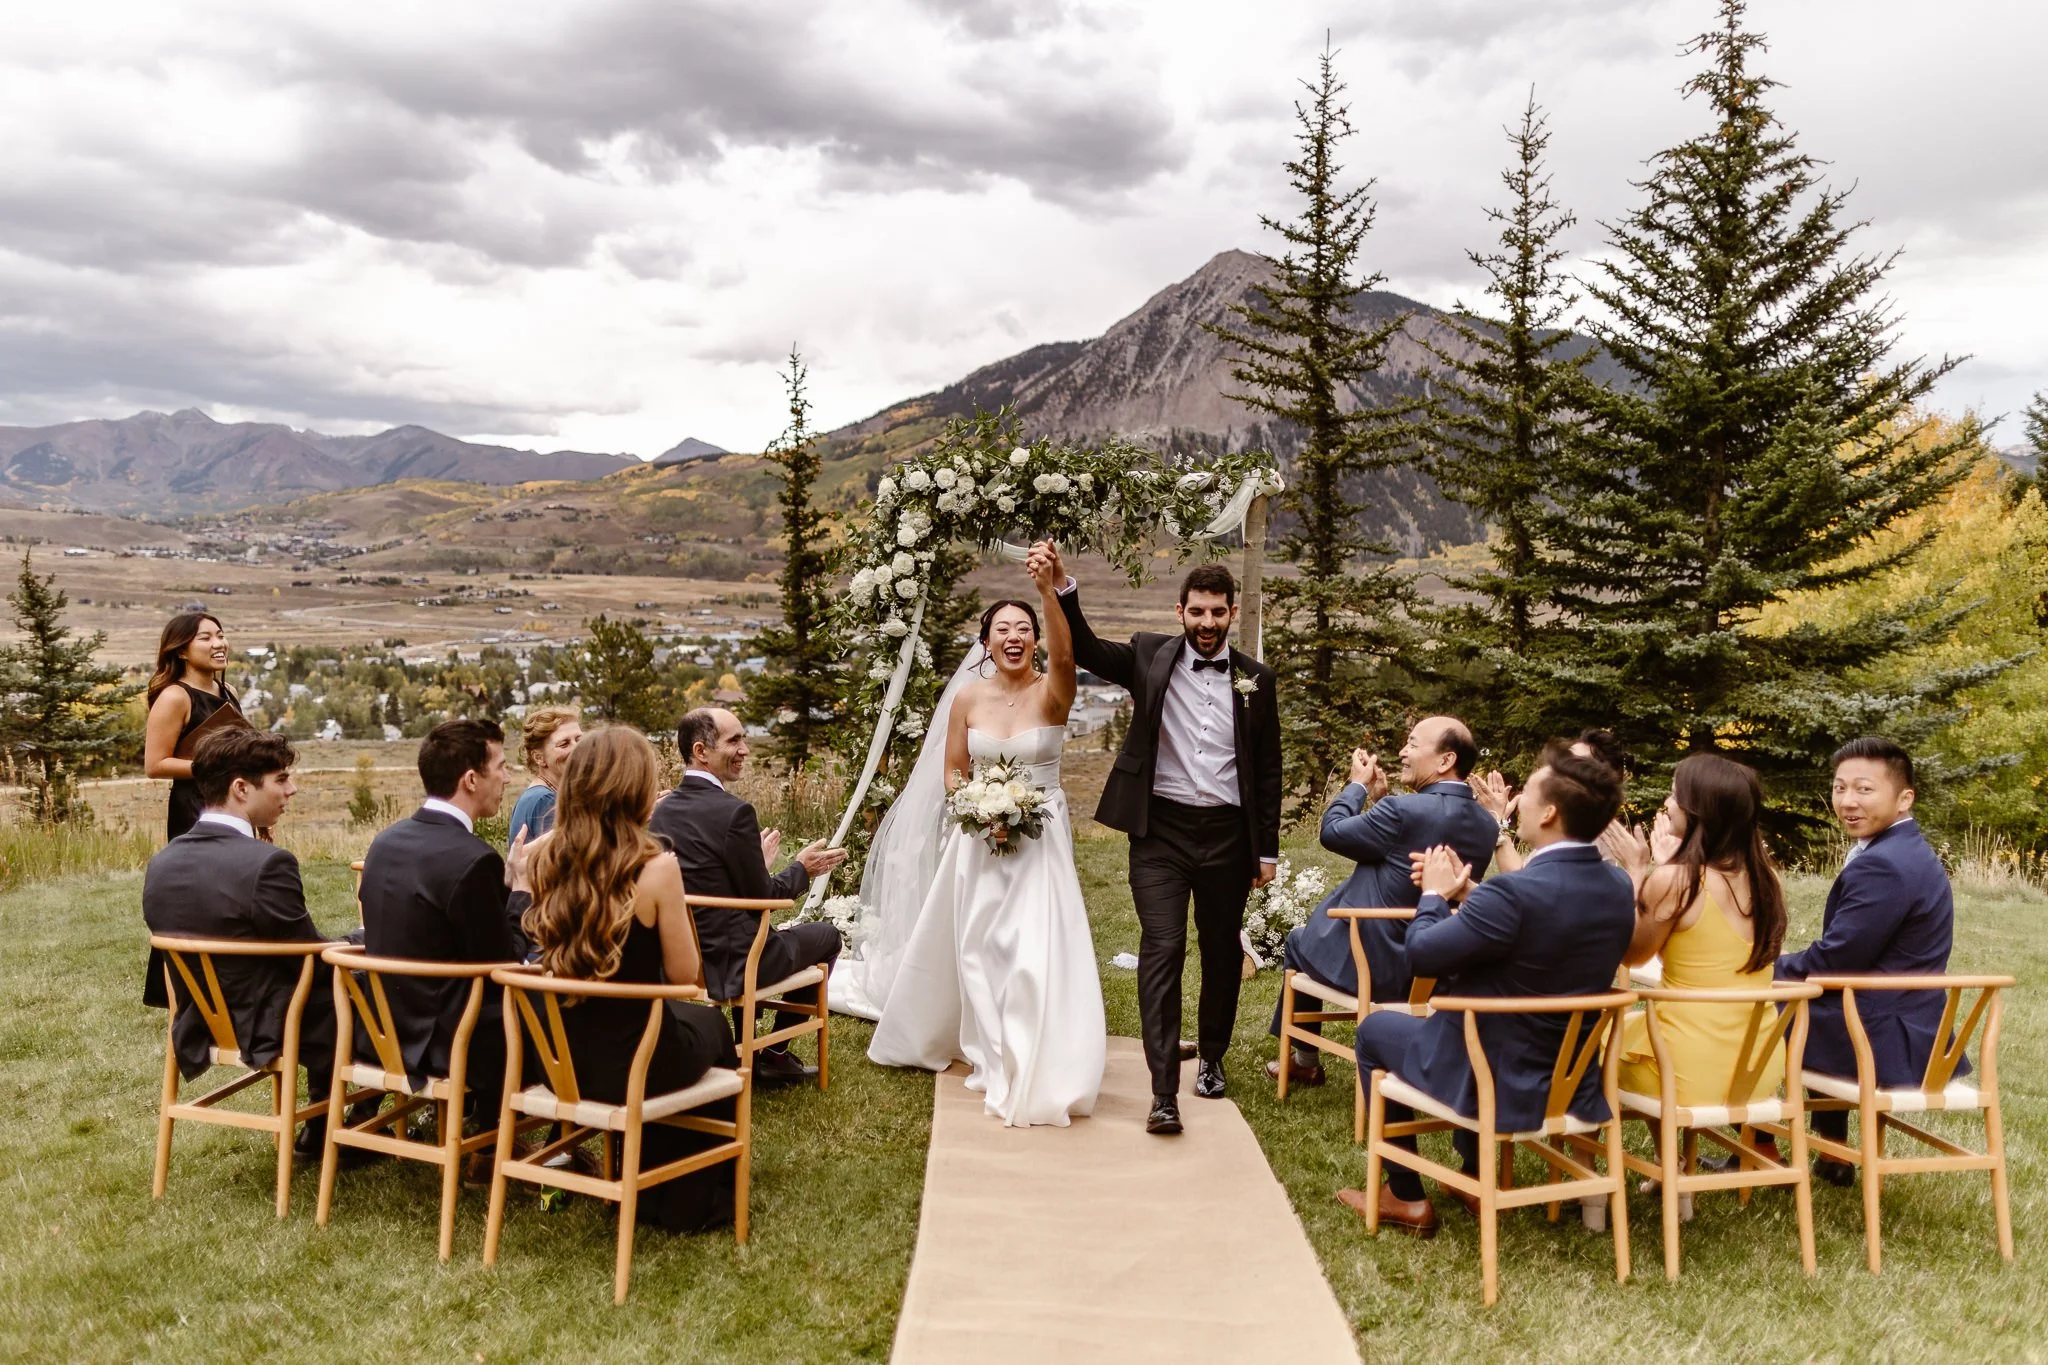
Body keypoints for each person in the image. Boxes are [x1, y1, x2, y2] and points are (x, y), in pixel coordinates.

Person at [1341, 746, 1635, 1237]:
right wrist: (1468, 894)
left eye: (1529, 791)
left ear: (1549, 811)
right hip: (1568, 1080)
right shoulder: (1617, 886)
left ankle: (1406, 1197)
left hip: (1492, 1075)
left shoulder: (1515, 893)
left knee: (1374, 1030)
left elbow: (1424, 955)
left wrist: (1433, 896)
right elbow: (1543, 926)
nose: (1516, 801)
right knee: (1471, 1030)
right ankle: (1473, 1177)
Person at [1042, 544, 1282, 1137]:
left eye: (1217, 613)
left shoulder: (1256, 679)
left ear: (1231, 613)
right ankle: (1162, 1092)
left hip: (1229, 836)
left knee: (1222, 949)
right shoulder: (1151, 656)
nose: (1207, 623)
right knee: (1163, 946)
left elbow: (1269, 767)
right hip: (1162, 833)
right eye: (1197, 612)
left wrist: (1267, 851)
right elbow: (1093, 651)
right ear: (1180, 612)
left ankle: (1214, 1058)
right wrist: (1064, 587)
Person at [864, 559, 1108, 1128]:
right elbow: (953, 771)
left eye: (1024, 629)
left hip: (1039, 839)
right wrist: (973, 809)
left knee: (1030, 946)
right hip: (979, 838)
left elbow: (1067, 657)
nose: (1015, 637)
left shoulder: (1054, 691)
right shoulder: (967, 700)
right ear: (986, 643)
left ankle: (1035, 1050)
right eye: (1003, 629)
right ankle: (987, 1041)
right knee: (978, 945)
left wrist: (1047, 592)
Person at [522, 726, 741, 1233]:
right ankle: (687, 1195)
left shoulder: (541, 858)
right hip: (635, 1060)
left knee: (681, 1025)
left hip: (559, 1058)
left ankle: (646, 1177)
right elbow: (688, 978)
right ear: (636, 790)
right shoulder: (657, 867)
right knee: (712, 1029)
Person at [141, 728, 340, 1161]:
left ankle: (322, 1129)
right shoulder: (268, 862)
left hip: (200, 1019)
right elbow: (309, 958)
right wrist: (360, 952)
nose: (292, 789)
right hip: (267, 1023)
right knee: (381, 995)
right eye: (282, 779)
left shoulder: (164, 860)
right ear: (241, 788)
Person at [1267, 717, 1499, 1088]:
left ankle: (1303, 1060)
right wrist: (1382, 803)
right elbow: (1402, 846)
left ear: (1444, 761)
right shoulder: (1487, 825)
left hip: (1373, 966)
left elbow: (1332, 833)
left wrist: (1357, 786)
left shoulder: (1404, 812)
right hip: (1436, 972)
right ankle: (1304, 1060)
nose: (1402, 752)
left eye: (1411, 743)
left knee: (1298, 940)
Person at [1776, 736, 1960, 1185]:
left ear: (1904, 798)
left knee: (1755, 1011)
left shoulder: (1885, 864)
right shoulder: (1905, 850)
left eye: (1863, 789)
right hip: (1916, 1025)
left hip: (1885, 1037)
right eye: (1840, 788)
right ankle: (1834, 1153)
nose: (1847, 801)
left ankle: (1757, 1149)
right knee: (1799, 1004)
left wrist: (1767, 969)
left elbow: (1838, 958)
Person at [649, 707, 847, 1086]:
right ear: (701, 751)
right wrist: (802, 868)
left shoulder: (663, 809)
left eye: (744, 738)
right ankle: (771, 1054)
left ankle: (752, 1048)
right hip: (738, 960)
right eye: (734, 740)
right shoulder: (734, 812)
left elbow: (705, 878)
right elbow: (764, 897)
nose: (745, 749)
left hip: (687, 957)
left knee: (756, 931)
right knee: (826, 936)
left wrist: (755, 859)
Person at [356, 719, 531, 1110]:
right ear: (471, 779)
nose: (508, 776)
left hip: (380, 1027)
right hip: (450, 1041)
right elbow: (504, 968)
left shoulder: (384, 842)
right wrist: (521, 892)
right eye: (501, 765)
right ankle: (528, 1142)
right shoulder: (472, 858)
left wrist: (499, 886)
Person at [1609, 753, 1789, 1108]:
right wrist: (1670, 868)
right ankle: (1668, 1155)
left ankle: (1585, 1158)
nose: (1667, 803)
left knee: (1591, 1044)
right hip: (1757, 1071)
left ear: (1698, 810)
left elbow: (1632, 954)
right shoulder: (1769, 880)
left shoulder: (1677, 881)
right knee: (1635, 1032)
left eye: (1675, 796)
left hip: (1685, 1070)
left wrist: (1634, 872)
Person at [143, 611, 244, 843]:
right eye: (205, 638)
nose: (218, 644)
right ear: (181, 651)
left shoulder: (229, 691)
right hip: (195, 809)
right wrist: (212, 767)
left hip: (233, 803)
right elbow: (155, 765)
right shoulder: (174, 697)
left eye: (220, 635)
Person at [507, 706, 581, 844]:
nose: (576, 748)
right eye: (564, 744)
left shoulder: (536, 795)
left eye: (579, 740)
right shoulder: (545, 801)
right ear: (539, 758)